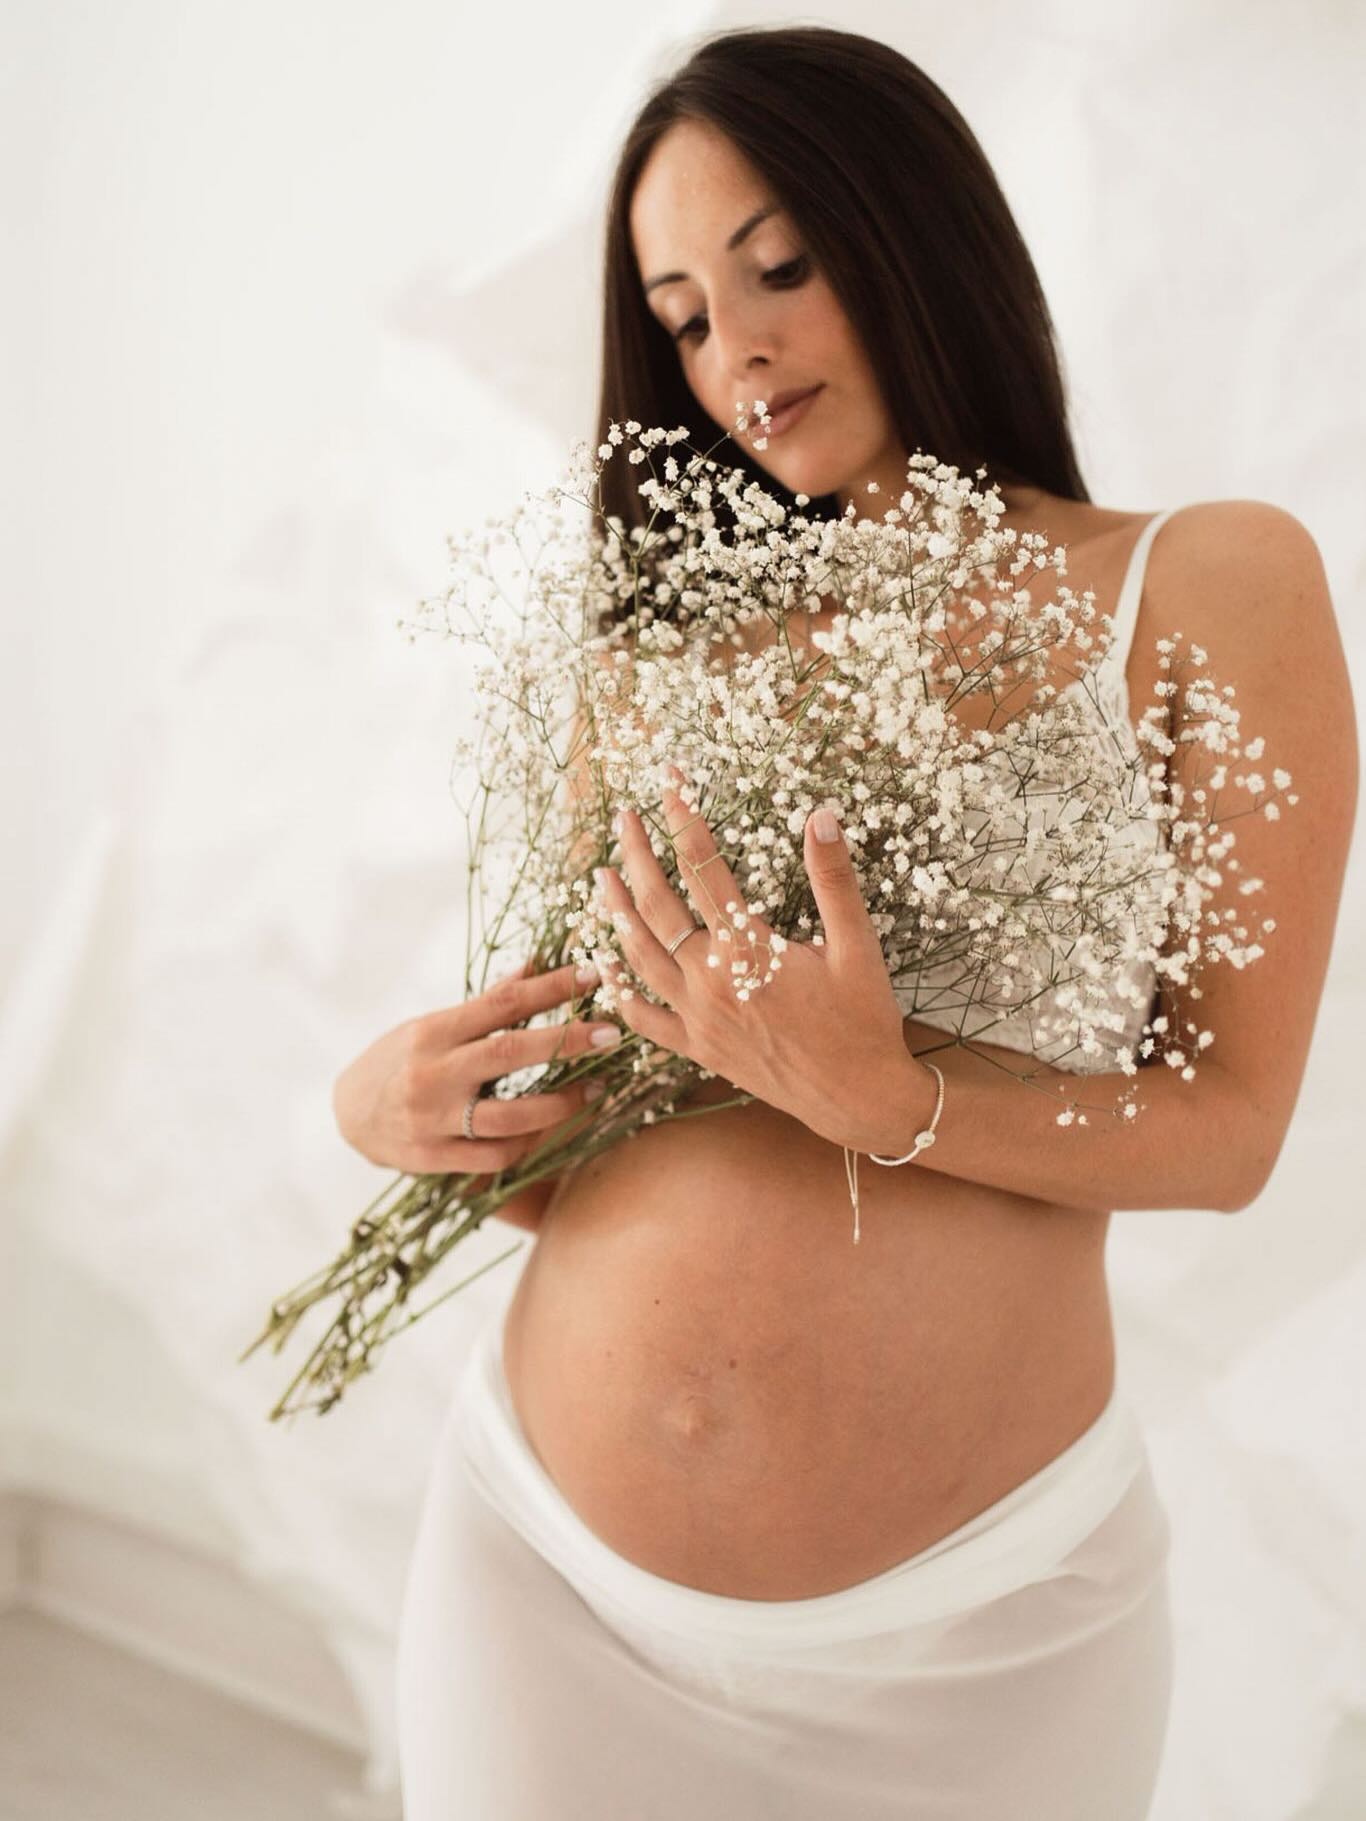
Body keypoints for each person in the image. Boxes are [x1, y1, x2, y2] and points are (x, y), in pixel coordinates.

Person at [340, 25, 1357, 1819]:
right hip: (553, 1591)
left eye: (777, 267)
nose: (729, 349)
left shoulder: (1206, 577)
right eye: (676, 314)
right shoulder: (654, 645)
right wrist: (400, 1115)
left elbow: (1229, 1130)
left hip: (986, 1634)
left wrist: (896, 1099)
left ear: (911, 228)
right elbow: (562, 1116)